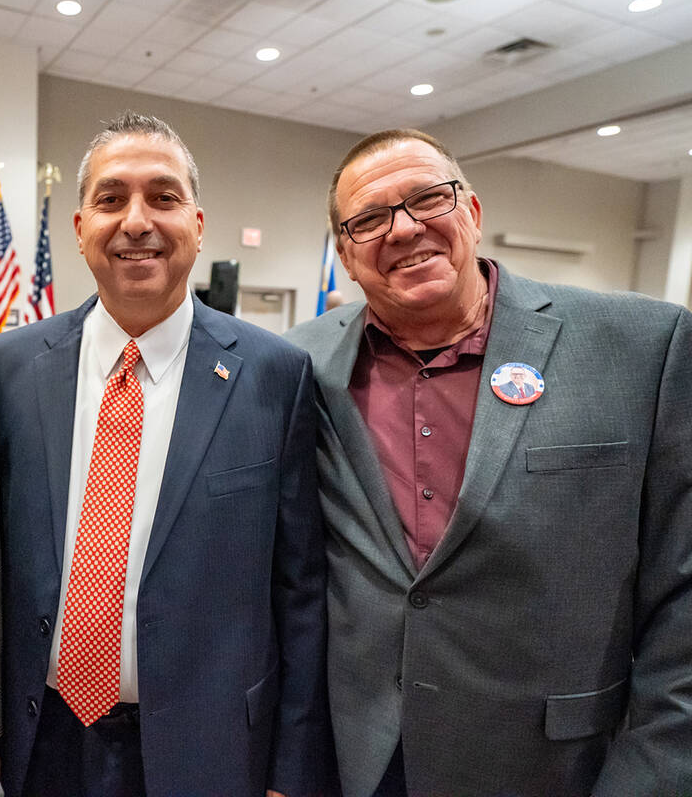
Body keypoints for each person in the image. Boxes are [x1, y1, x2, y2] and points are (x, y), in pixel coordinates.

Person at [285, 128, 692, 796]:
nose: (405, 228)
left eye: (426, 198)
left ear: (471, 211)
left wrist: (655, 774)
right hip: (359, 758)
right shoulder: (300, 364)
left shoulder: (642, 349)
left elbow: (682, 594)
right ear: (346, 255)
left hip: (559, 763)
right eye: (370, 219)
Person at [0, 112, 333, 797]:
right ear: (80, 227)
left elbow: (302, 594)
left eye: (163, 197)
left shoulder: (275, 375)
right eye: (111, 199)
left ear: (198, 225)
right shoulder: (10, 367)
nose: (136, 221)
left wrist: (293, 768)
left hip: (211, 748)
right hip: (43, 741)